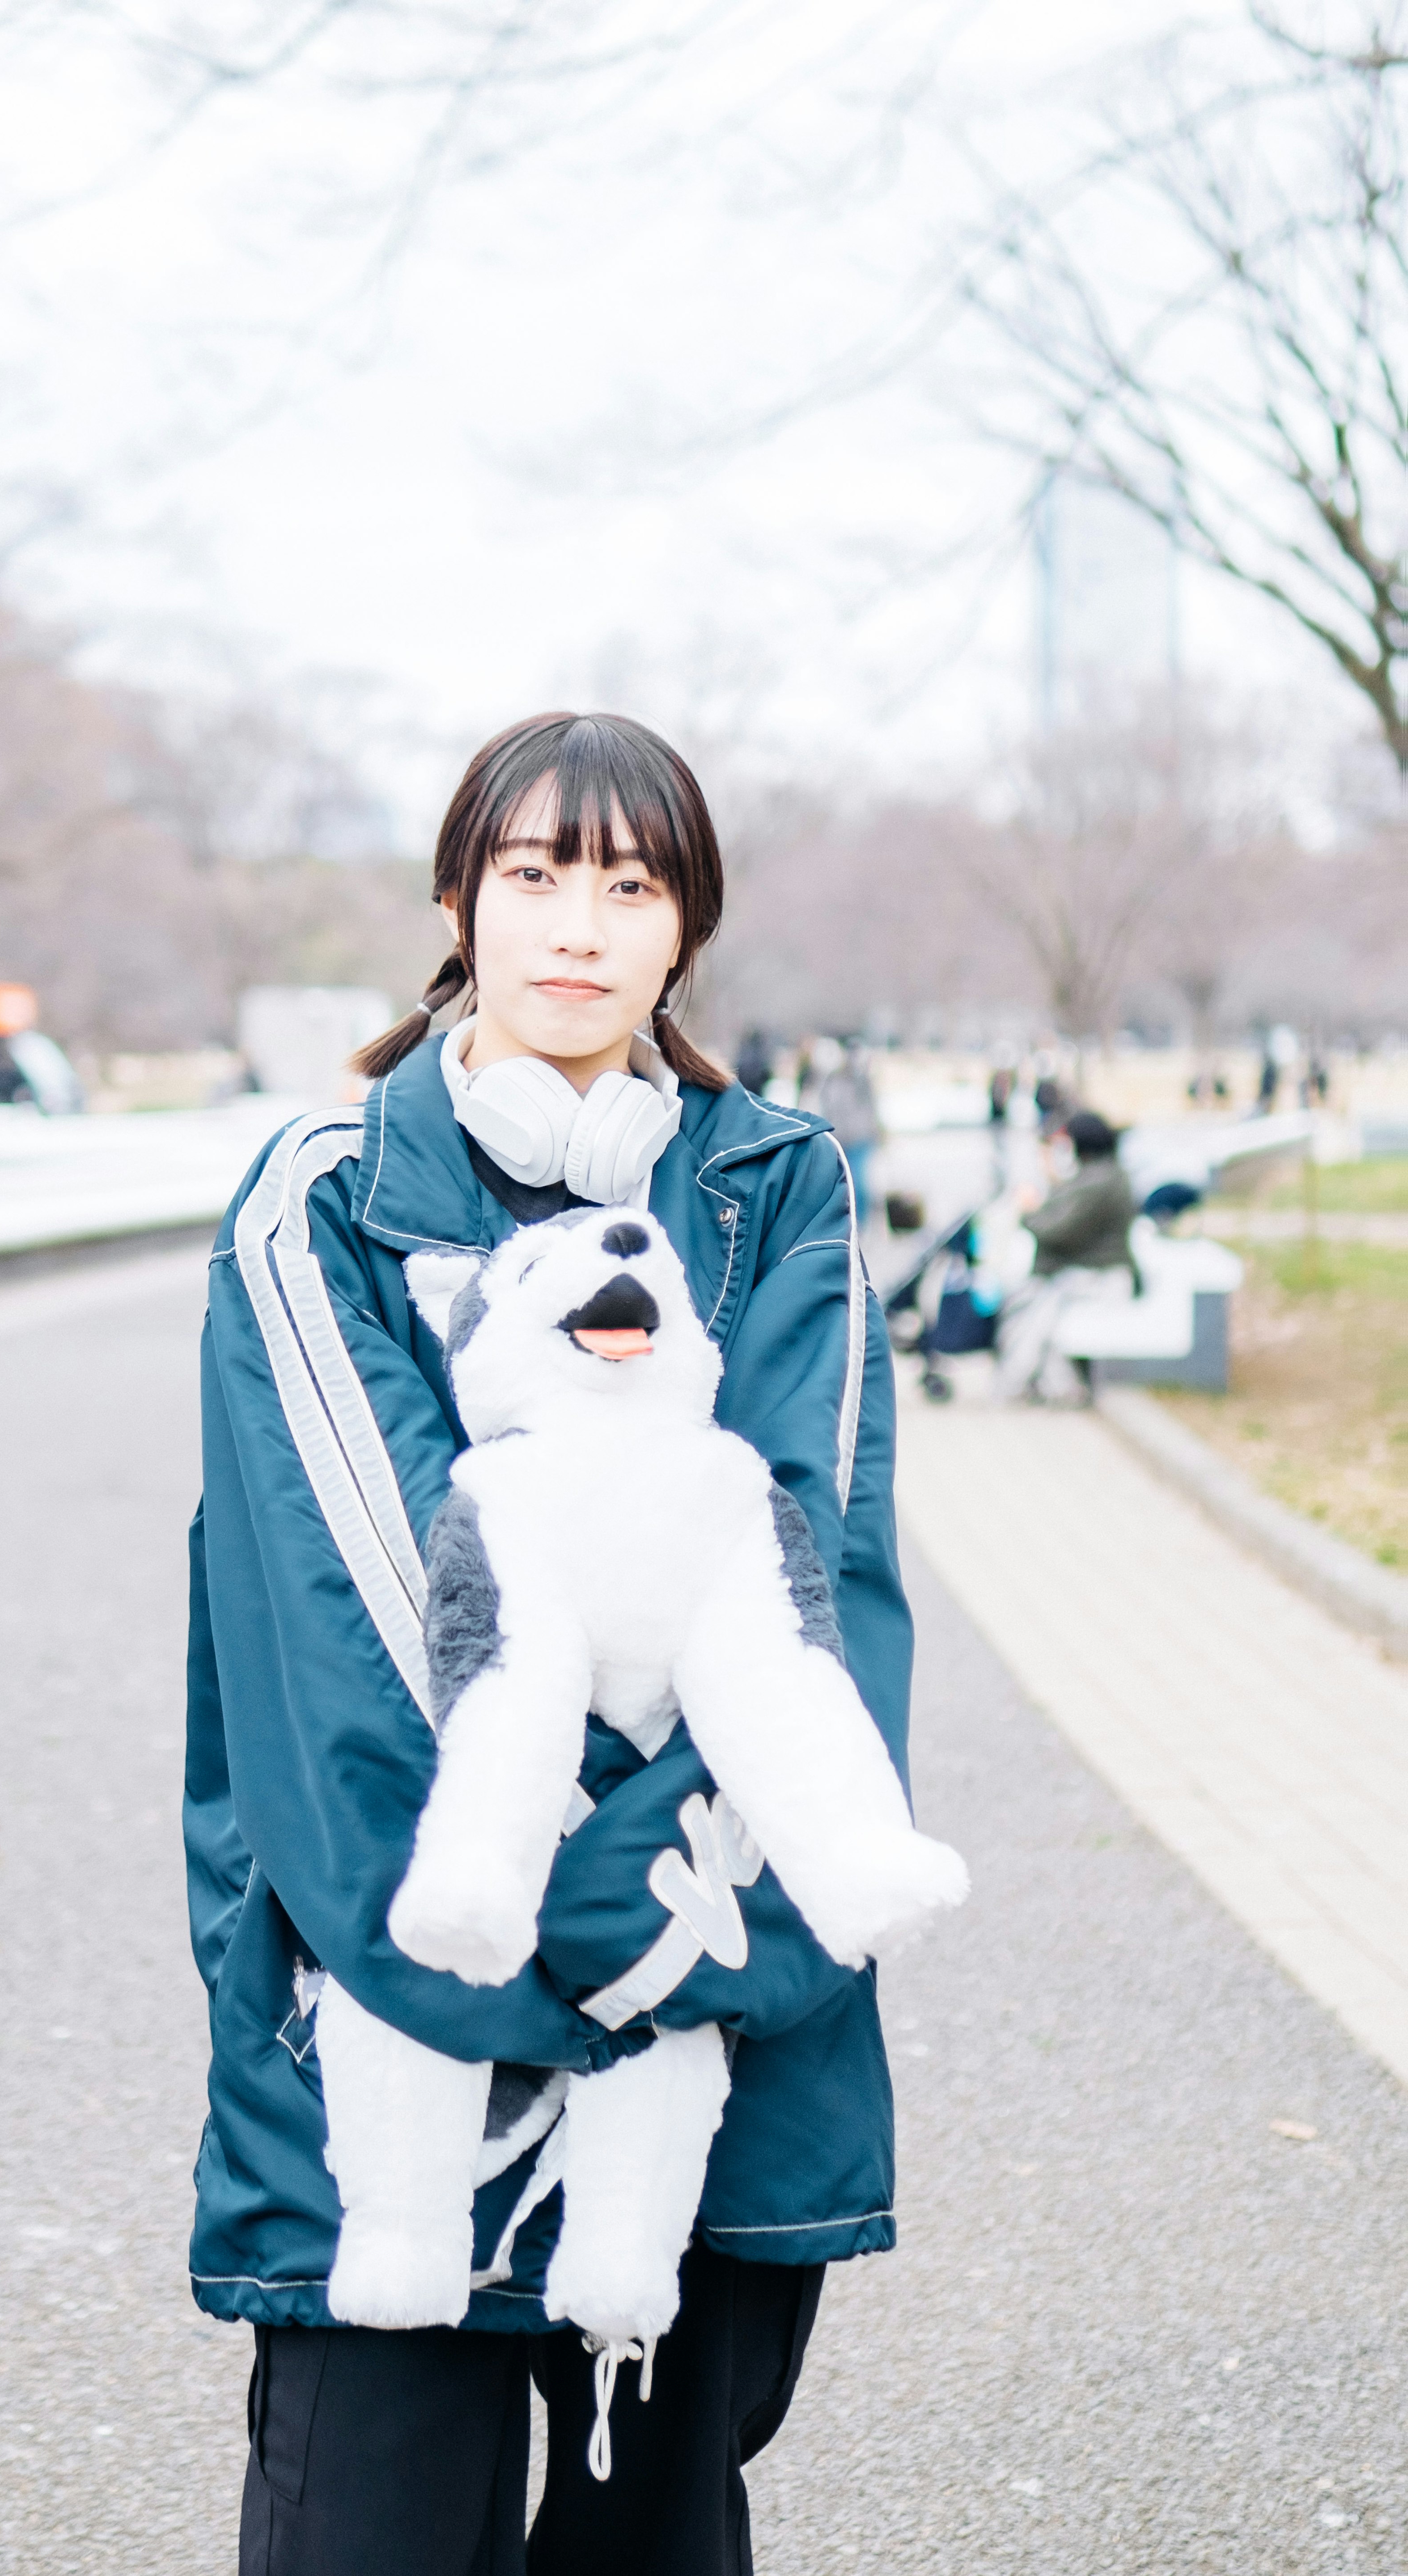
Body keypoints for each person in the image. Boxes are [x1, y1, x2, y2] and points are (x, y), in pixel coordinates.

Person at [186, 711, 916, 2576]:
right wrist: (596, 1930)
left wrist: (647, 1937)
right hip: (396, 2003)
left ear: (687, 934)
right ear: (458, 902)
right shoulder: (323, 1200)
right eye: (532, 875)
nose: (578, 923)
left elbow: (808, 1591)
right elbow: (365, 1625)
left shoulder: (776, 1192)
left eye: (632, 882)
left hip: (711, 2040)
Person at [994, 1107, 1137, 1404]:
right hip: (1085, 1275)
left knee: (1036, 1312)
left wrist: (1028, 1211)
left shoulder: (1099, 1181)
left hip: (1097, 1277)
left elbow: (1057, 1230)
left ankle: (1029, 1384)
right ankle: (1044, 1385)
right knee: (1032, 1308)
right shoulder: (1099, 1175)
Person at [806, 1037, 880, 1225]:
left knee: (859, 1183)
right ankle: (846, 1219)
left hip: (860, 1139)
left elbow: (871, 1110)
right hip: (840, 1139)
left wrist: (876, 1132)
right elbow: (825, 1107)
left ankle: (860, 1222)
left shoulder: (863, 1081)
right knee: (842, 1183)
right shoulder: (831, 1080)